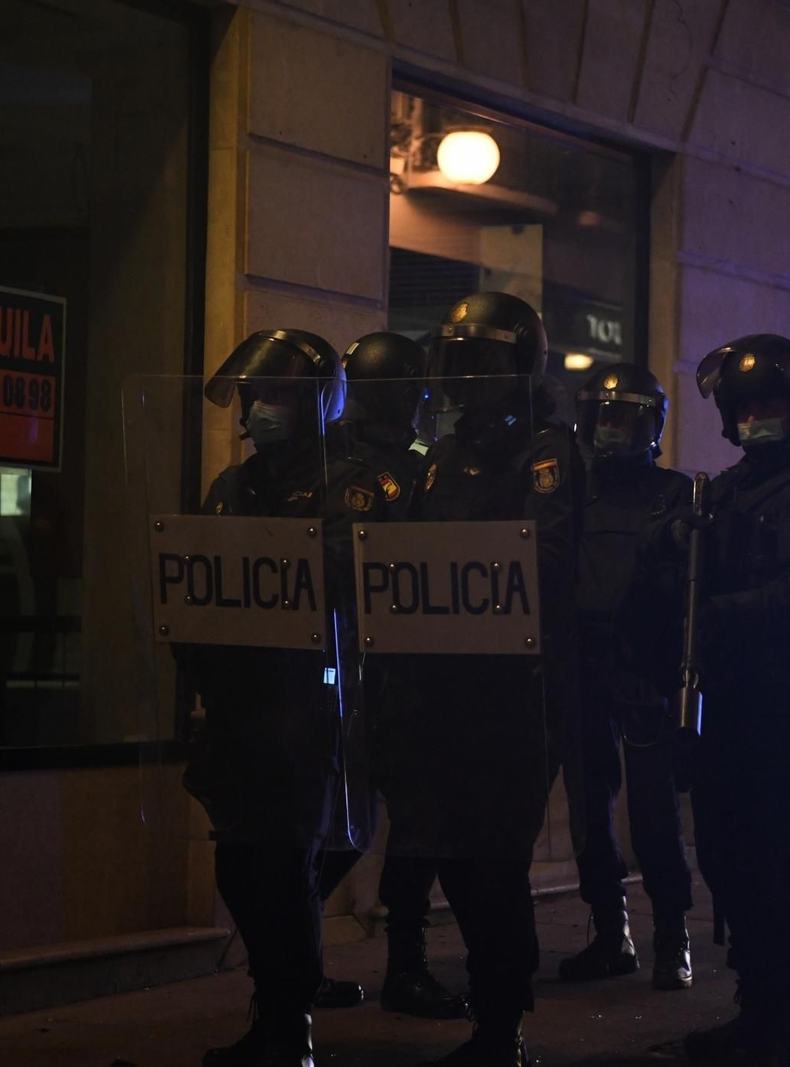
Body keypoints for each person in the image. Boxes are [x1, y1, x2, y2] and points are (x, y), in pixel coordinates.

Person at [372, 292, 582, 1067]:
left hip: (508, 700)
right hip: (436, 699)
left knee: (495, 868)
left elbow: (548, 561)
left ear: (521, 365)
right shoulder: (441, 460)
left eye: (483, 361)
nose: (466, 377)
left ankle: (501, 1028)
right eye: (457, 361)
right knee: (451, 861)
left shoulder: (545, 451)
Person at [675, 335, 790, 1067]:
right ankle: (755, 1005)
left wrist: (720, 612)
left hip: (779, 699)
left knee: (773, 867)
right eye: (744, 408)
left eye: (770, 406)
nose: (755, 419)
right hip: (722, 701)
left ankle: (783, 1027)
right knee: (724, 859)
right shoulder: (724, 491)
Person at [179, 329, 348, 1067]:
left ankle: (290, 1024)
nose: (263, 409)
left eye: (279, 395)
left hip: (304, 711)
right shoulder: (233, 485)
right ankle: (270, 1012)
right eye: (257, 396)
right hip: (239, 708)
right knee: (239, 866)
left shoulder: (346, 484)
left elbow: (345, 587)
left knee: (286, 868)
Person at [314, 331, 468, 1020]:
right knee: (356, 826)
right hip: (356, 671)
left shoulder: (412, 463)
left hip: (398, 669)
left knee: (407, 824)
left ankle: (399, 964)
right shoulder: (342, 465)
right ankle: (301, 961)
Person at [559, 363, 696, 990]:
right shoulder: (570, 488)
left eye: (623, 417)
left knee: (652, 814)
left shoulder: (675, 492)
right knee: (589, 810)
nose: (610, 429)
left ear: (649, 425)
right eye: (602, 416)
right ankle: (611, 932)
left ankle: (672, 936)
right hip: (584, 667)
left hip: (644, 669)